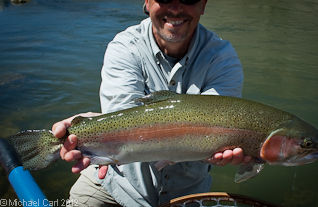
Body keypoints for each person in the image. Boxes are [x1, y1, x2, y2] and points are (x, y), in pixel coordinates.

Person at [53, 0, 251, 206]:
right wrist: (89, 126)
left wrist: (215, 149)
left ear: (203, 5)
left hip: (187, 195)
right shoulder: (125, 48)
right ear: (147, 2)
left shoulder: (222, 59)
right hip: (114, 183)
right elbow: (123, 124)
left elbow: (212, 130)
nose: (175, 8)